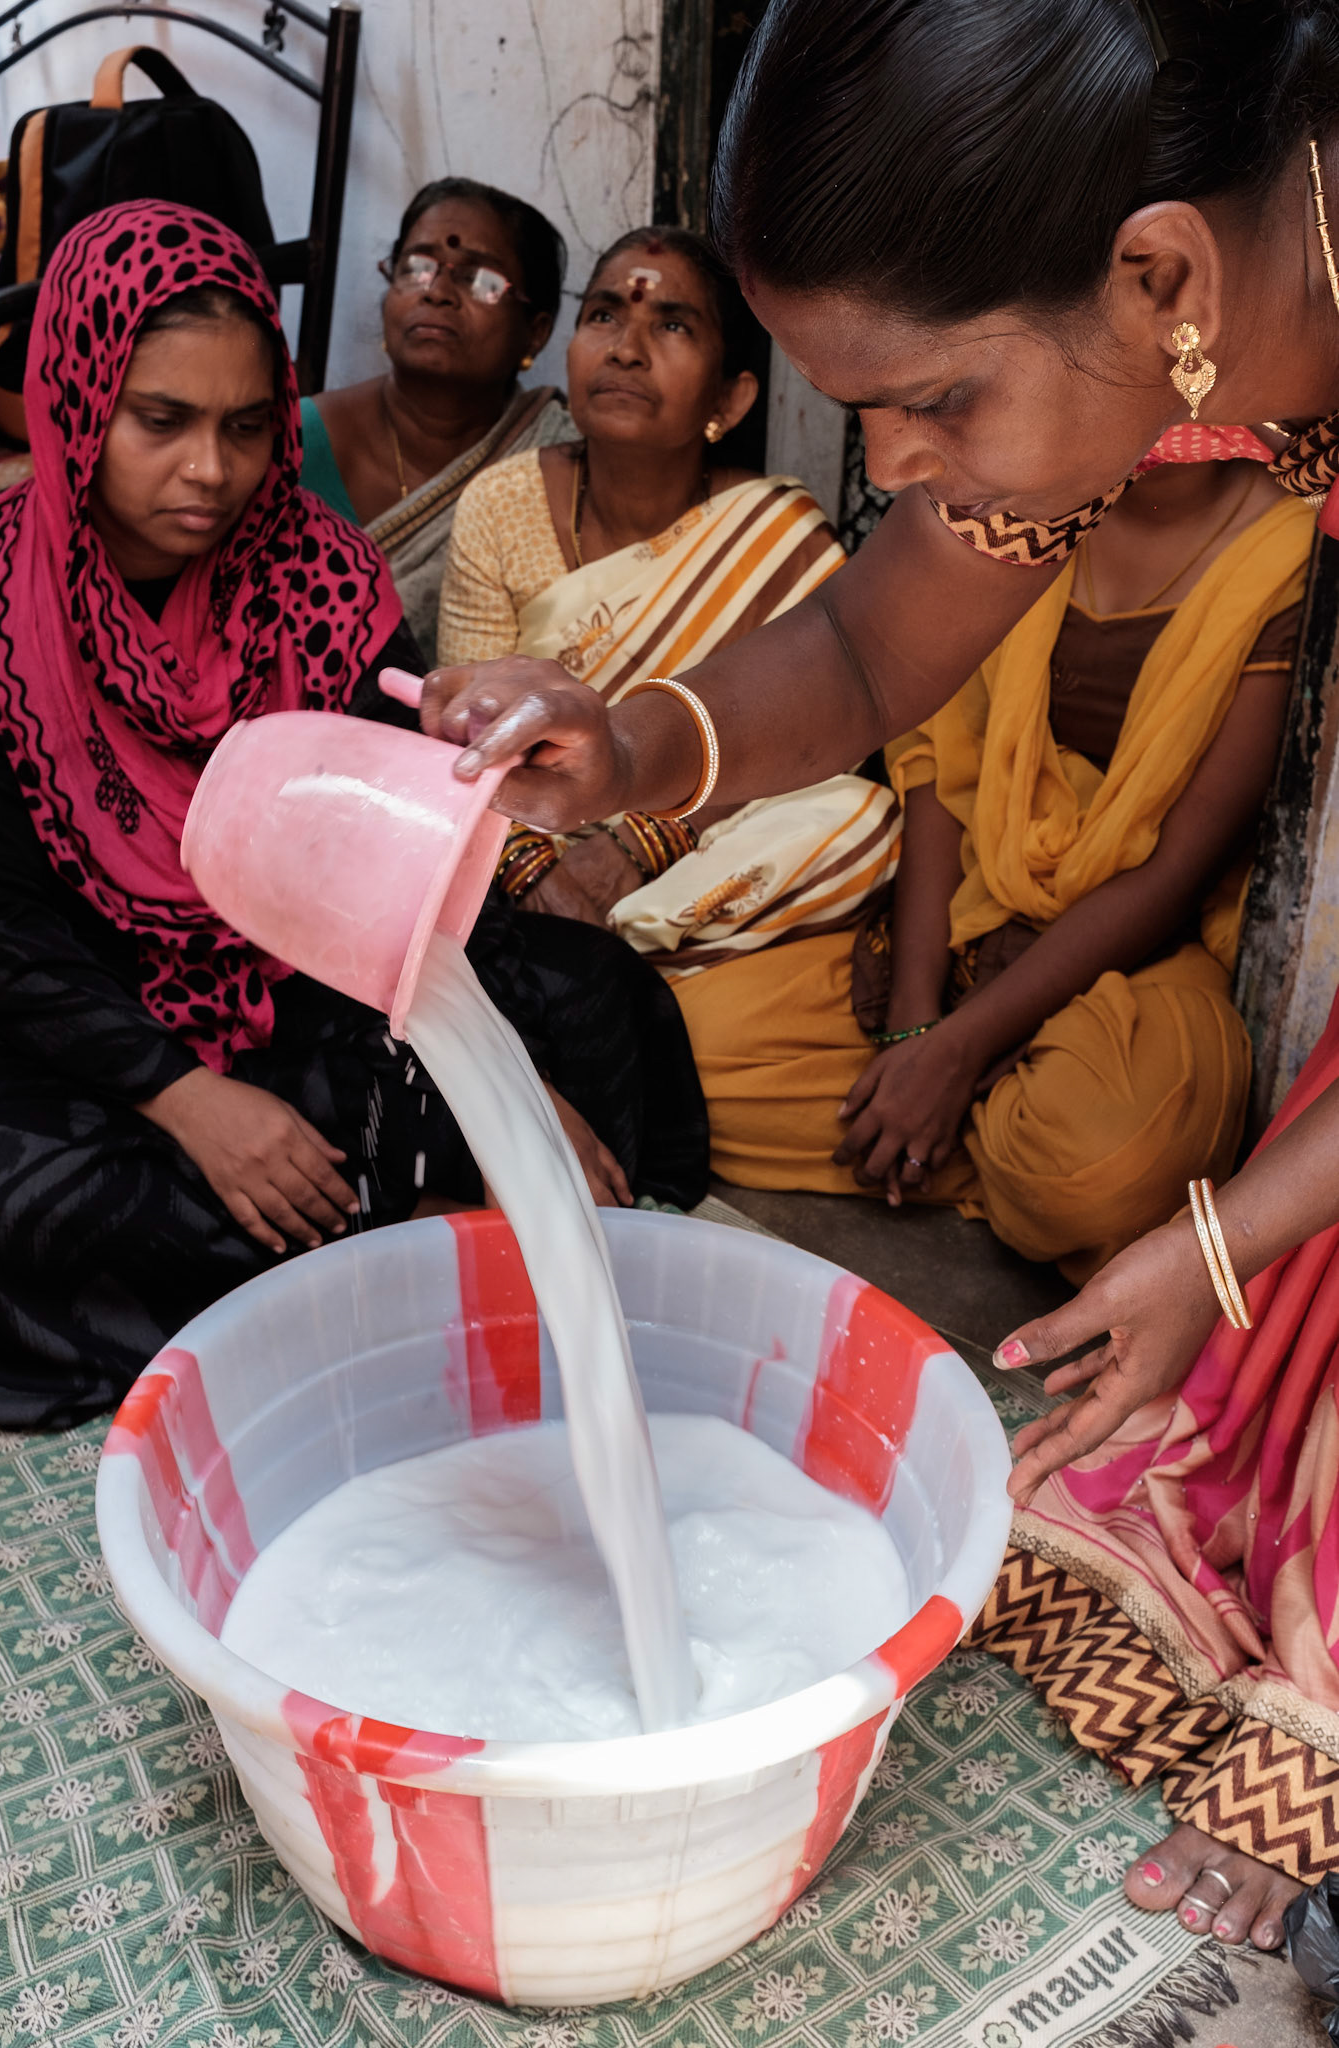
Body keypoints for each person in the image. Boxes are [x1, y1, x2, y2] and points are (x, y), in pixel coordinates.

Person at [410, 0, 1339, 1956]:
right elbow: (857, 661)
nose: (892, 463)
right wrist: (624, 734)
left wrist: (1234, 1243)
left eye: (926, 401)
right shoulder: (1155, 329)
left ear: (1161, 273)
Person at [0, 199, 707, 1431]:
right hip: (77, 1010)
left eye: (248, 427)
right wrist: (184, 1096)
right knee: (8, 1202)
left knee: (591, 1007)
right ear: (76, 395)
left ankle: (382, 1222)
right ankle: (404, 1229)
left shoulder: (317, 577)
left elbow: (396, 854)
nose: (210, 471)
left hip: (307, 980)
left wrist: (497, 1091)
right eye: (160, 421)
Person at [678, 452, 1313, 1281]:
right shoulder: (1023, 508)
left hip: (1138, 964)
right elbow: (939, 780)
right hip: (969, 922)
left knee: (1096, 1165)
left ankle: (944, 1132)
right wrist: (913, 1024)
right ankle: (967, 1139)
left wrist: (953, 1054)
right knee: (692, 1048)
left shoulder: (1287, 556)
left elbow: (1171, 874)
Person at [437, 225, 899, 968]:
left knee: (858, 818)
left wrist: (644, 839)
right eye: (604, 315)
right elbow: (468, 734)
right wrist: (534, 869)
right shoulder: (502, 504)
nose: (625, 348)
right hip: (532, 830)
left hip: (701, 845)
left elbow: (813, 744)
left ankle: (621, 949)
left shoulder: (777, 535)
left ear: (730, 396)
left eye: (672, 324)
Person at [300, 177, 575, 657]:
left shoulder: (554, 463)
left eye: (481, 280)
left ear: (536, 332)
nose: (439, 292)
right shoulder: (297, 442)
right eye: (418, 267)